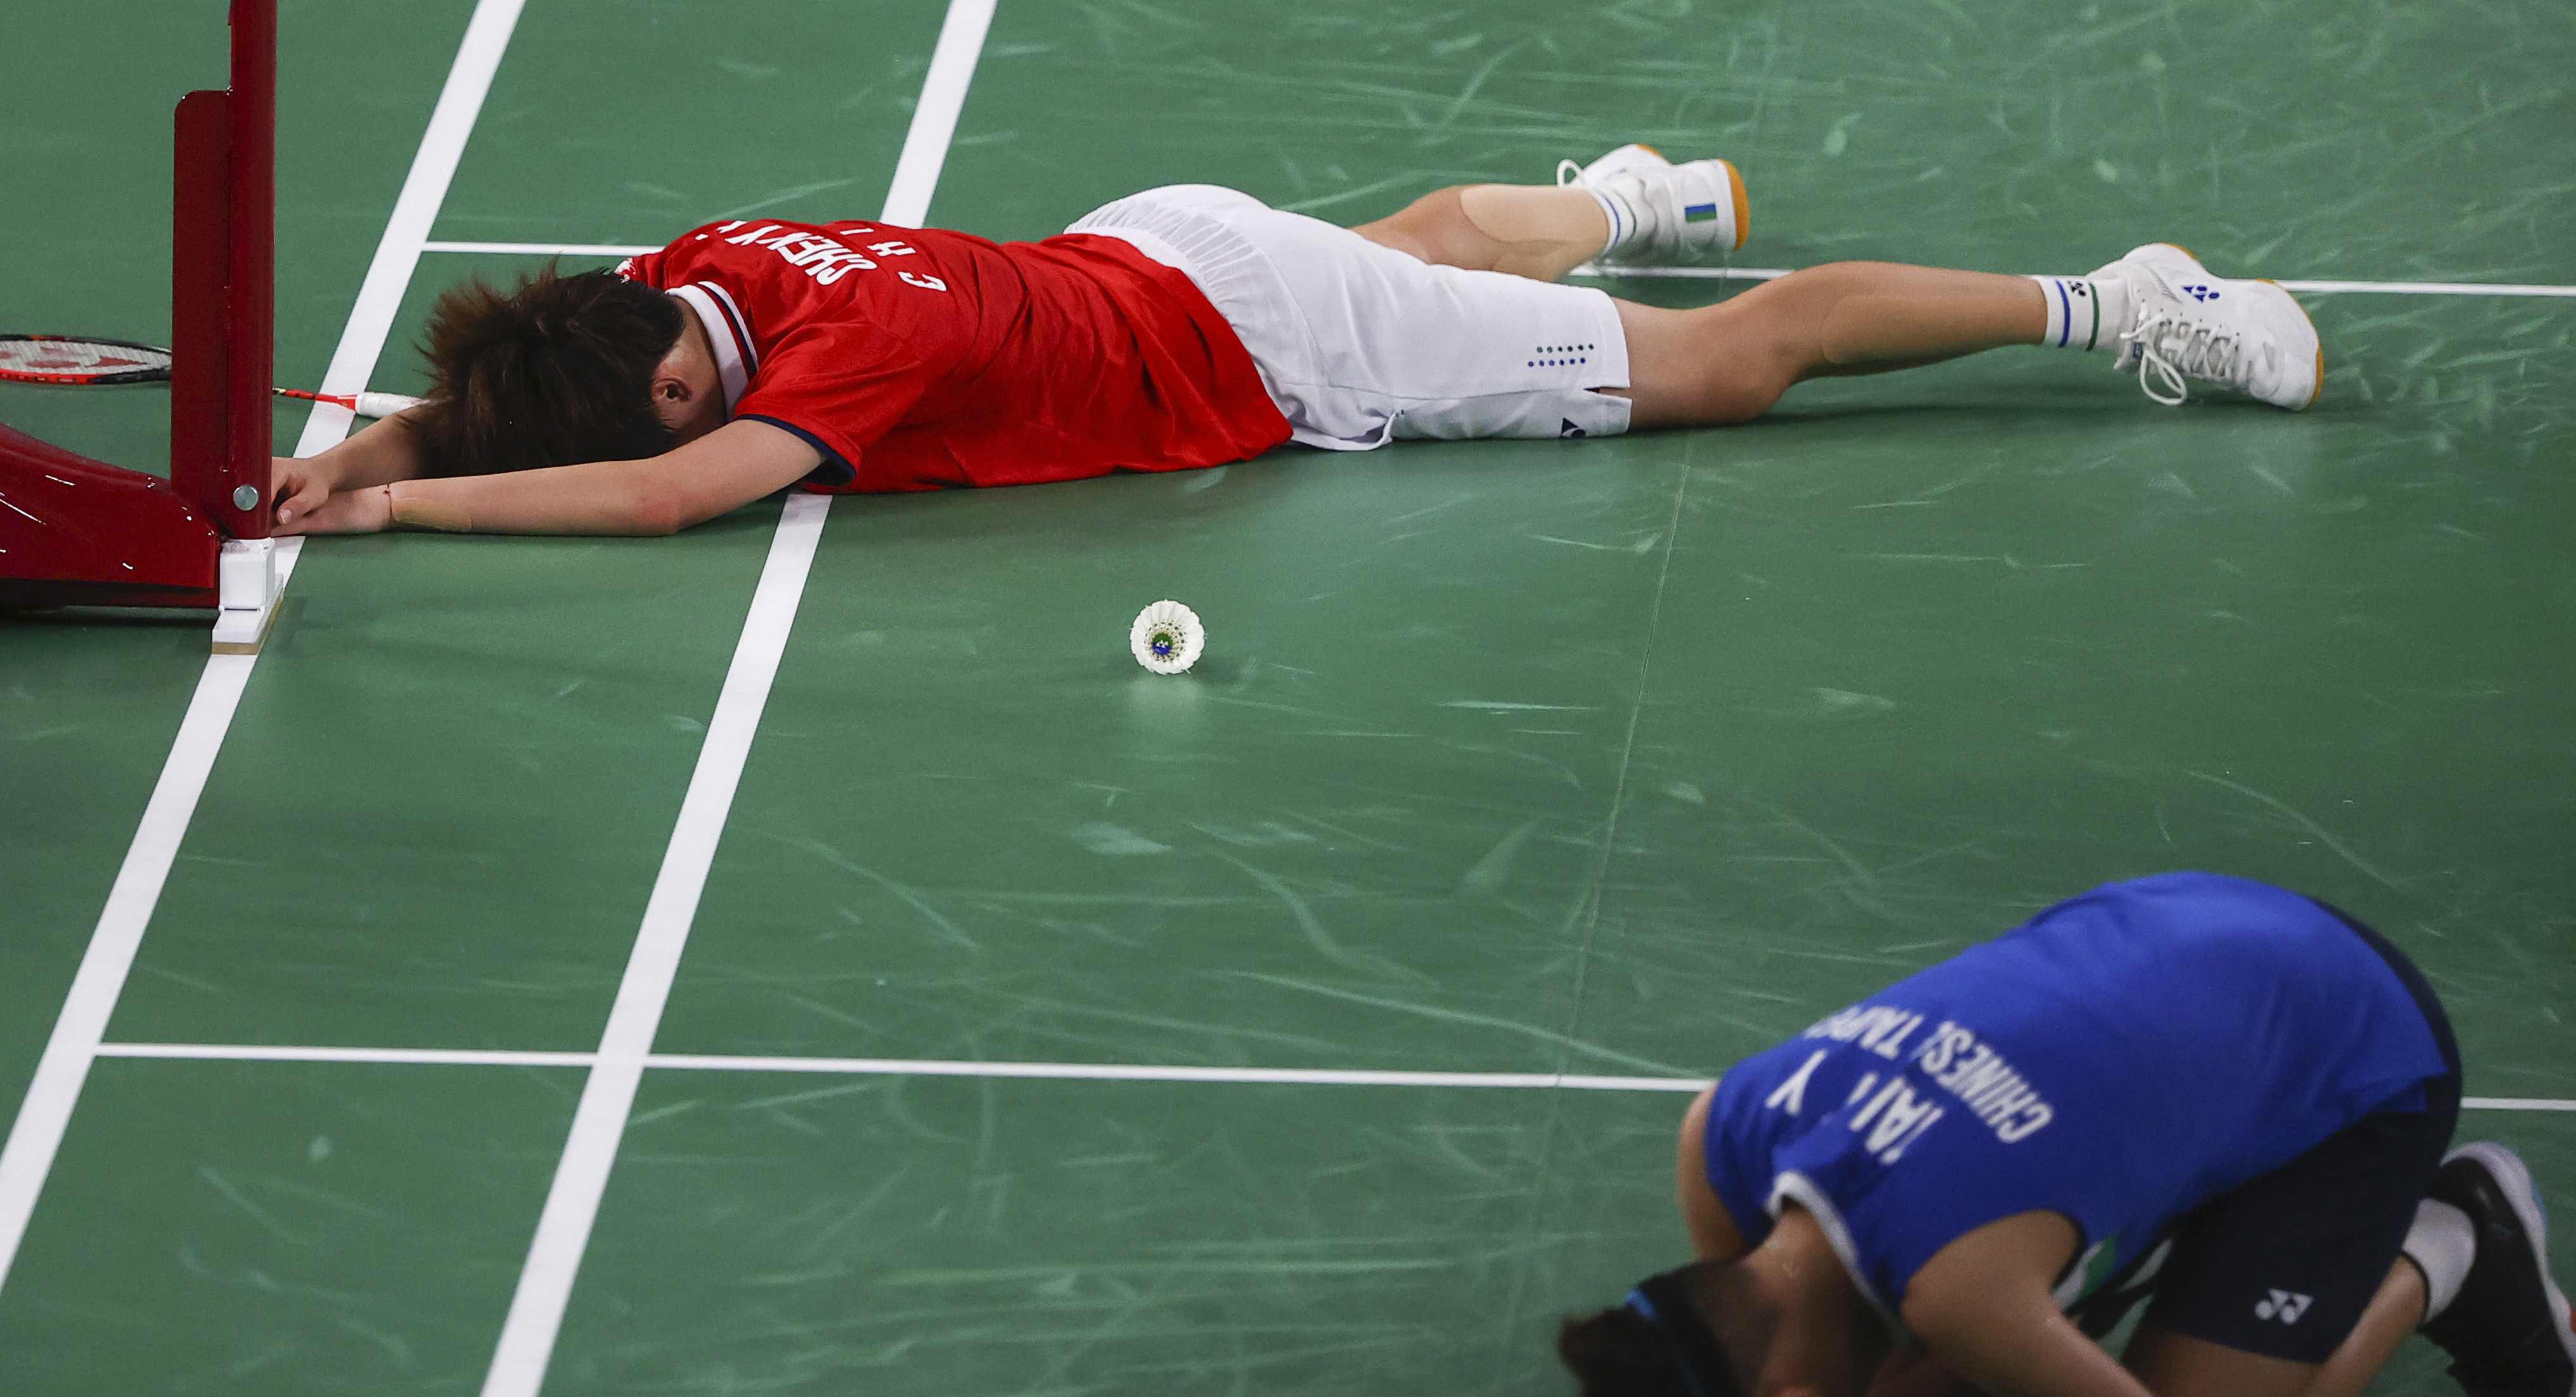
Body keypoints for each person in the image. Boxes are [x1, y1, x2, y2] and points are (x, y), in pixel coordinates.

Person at [266, 149, 2324, 537]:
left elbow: (663, 493)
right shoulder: (704, 256)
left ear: (673, 350)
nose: (722, 401)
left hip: (1270, 346)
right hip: (1152, 244)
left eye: (705, 386)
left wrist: (403, 517)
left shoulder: (830, 378)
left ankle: (2123, 297)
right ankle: (1621, 196)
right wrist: (362, 445)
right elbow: (574, 402)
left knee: (1732, 362)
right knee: (1436, 243)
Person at [1558, 872, 2576, 1397]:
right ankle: (2143, 1226)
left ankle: (2452, 1241)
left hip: (2348, 1034)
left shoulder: (1961, 1285)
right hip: (2181, 926)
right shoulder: (1723, 1130)